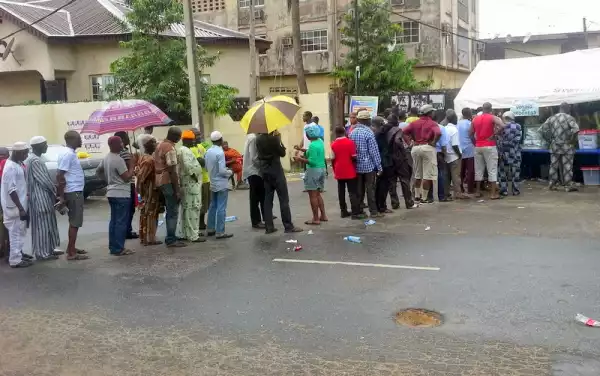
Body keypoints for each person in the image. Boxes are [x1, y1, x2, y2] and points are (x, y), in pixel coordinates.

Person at [256, 130, 303, 234]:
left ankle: (269, 227)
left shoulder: (258, 139)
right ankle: (288, 226)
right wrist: (279, 139)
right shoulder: (274, 139)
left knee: (267, 200)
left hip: (265, 171)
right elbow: (282, 153)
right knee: (283, 199)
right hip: (276, 171)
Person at [25, 136, 62, 261]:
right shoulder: (35, 160)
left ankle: (49, 249)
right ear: (38, 146)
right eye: (45, 145)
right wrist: (56, 191)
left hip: (41, 197)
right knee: (42, 227)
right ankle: (42, 253)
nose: (46, 147)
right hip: (40, 198)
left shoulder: (33, 159)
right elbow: (45, 181)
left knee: (47, 225)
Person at [98, 136, 136, 256]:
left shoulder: (106, 158)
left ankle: (113, 247)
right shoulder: (118, 159)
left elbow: (98, 171)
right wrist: (132, 166)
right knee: (121, 222)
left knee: (114, 221)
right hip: (121, 193)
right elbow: (126, 177)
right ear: (114, 145)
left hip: (111, 192)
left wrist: (108, 181)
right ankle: (119, 248)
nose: (122, 145)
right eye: (120, 143)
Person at [57, 130, 89, 261]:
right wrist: (62, 197)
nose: (81, 141)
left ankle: (71, 247)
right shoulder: (68, 155)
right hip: (73, 191)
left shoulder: (69, 153)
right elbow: (59, 175)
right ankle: (71, 253)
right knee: (75, 222)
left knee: (74, 222)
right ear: (71, 140)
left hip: (74, 190)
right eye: (78, 139)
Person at [403, 104, 441, 204]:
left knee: (417, 174)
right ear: (429, 113)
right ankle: (424, 198)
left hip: (415, 148)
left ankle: (416, 196)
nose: (434, 113)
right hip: (427, 147)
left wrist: (409, 143)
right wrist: (434, 142)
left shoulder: (414, 123)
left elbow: (404, 132)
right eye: (432, 112)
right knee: (427, 175)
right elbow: (438, 133)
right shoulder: (433, 123)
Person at [154, 127, 185, 248]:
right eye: (179, 136)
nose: (180, 138)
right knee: (173, 210)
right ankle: (171, 238)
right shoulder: (170, 148)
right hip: (168, 181)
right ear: (175, 136)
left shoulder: (160, 145)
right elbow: (172, 171)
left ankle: (171, 236)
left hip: (160, 181)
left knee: (170, 209)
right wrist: (177, 190)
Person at [2, 142, 32, 268]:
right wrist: (20, 208)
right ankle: (15, 260)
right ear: (18, 153)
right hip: (14, 207)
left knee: (20, 231)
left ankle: (18, 254)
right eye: (25, 153)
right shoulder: (10, 167)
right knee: (15, 233)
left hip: (19, 205)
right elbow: (11, 190)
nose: (26, 156)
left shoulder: (17, 164)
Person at [539, 102, 580, 192]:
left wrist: (548, 140)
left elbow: (541, 130)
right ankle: (568, 185)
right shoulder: (569, 118)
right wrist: (572, 141)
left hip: (555, 145)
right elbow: (576, 130)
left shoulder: (552, 118)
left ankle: (552, 184)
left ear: (559, 108)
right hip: (567, 145)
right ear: (568, 108)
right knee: (567, 166)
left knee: (553, 165)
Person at [349, 110, 383, 218]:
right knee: (370, 190)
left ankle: (359, 211)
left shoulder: (352, 133)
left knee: (359, 191)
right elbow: (374, 152)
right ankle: (373, 211)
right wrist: (379, 167)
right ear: (368, 120)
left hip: (357, 166)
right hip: (368, 167)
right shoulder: (369, 133)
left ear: (358, 120)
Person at [176, 130, 206, 243]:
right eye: (193, 139)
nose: (194, 141)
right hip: (191, 185)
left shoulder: (182, 150)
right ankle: (194, 235)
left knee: (186, 210)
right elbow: (189, 167)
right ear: (187, 140)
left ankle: (186, 234)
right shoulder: (186, 151)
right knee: (193, 210)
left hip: (187, 184)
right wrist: (194, 177)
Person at [295, 125, 328, 225]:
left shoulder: (313, 145)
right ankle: (323, 215)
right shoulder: (319, 142)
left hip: (313, 171)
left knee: (312, 196)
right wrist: (302, 150)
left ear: (309, 134)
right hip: (321, 169)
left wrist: (299, 159)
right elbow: (314, 153)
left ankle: (315, 218)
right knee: (318, 194)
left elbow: (312, 161)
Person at [470, 102, 505, 199]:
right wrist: (494, 135)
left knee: (478, 169)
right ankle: (493, 194)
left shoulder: (475, 119)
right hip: (489, 145)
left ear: (482, 109)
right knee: (492, 169)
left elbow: (470, 133)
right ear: (491, 109)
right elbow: (502, 126)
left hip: (478, 145)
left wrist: (475, 142)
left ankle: (477, 191)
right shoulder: (492, 117)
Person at [204, 131, 234, 239]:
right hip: (221, 183)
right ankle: (220, 231)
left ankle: (211, 229)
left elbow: (207, 168)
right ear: (221, 140)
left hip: (212, 182)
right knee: (221, 207)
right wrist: (230, 172)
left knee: (213, 206)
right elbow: (222, 171)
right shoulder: (220, 153)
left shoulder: (208, 152)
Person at [386, 114, 418, 210]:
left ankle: (394, 203)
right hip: (399, 158)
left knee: (392, 181)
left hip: (389, 158)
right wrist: (403, 151)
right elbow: (397, 141)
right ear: (396, 122)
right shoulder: (397, 130)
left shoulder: (385, 130)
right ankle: (409, 202)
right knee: (404, 180)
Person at [136, 136, 162, 246]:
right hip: (150, 191)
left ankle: (144, 237)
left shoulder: (143, 157)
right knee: (150, 214)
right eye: (154, 143)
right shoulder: (149, 160)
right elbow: (142, 177)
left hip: (147, 191)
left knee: (146, 214)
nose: (156, 145)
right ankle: (150, 238)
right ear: (150, 146)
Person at [330, 126, 359, 218]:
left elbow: (332, 158)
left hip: (339, 170)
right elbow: (354, 157)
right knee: (352, 192)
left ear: (336, 133)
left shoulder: (333, 144)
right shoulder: (350, 143)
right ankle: (355, 212)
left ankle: (343, 211)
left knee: (341, 191)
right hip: (349, 169)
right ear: (344, 132)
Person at [114, 131, 138, 240]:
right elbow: (130, 169)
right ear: (122, 140)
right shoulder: (124, 153)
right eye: (126, 137)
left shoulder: (118, 153)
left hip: (121, 185)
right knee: (130, 209)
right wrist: (134, 162)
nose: (129, 139)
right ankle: (127, 231)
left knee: (124, 211)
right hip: (129, 184)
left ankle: (126, 230)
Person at [243, 133, 267, 229]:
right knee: (256, 198)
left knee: (258, 197)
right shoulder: (253, 138)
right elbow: (254, 157)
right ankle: (256, 221)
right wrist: (263, 166)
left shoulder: (251, 137)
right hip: (254, 171)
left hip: (253, 171)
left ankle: (261, 219)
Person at [373, 116, 395, 214]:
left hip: (380, 161)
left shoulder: (375, 132)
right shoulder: (380, 132)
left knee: (379, 185)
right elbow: (389, 125)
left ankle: (379, 205)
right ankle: (381, 206)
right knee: (383, 185)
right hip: (384, 162)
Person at [190, 129, 211, 231]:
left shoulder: (201, 146)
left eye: (199, 134)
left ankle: (202, 223)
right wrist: (208, 161)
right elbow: (201, 161)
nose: (199, 137)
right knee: (198, 204)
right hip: (198, 180)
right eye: (196, 135)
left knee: (205, 203)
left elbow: (206, 159)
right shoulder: (191, 149)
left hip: (206, 178)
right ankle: (197, 225)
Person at [499, 111, 523, 196]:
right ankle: (515, 190)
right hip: (515, 153)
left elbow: (498, 139)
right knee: (515, 172)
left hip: (503, 152)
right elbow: (518, 139)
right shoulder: (518, 126)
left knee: (503, 173)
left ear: (505, 117)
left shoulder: (501, 126)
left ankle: (504, 190)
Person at [443, 112, 467, 200]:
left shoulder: (444, 128)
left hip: (446, 155)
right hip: (454, 156)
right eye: (456, 118)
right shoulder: (454, 130)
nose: (457, 120)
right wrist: (459, 155)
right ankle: (458, 193)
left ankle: (446, 193)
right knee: (456, 176)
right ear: (453, 119)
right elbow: (455, 145)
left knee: (447, 176)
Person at [457, 108, 475, 194]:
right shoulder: (469, 124)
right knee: (470, 170)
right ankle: (470, 189)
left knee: (461, 170)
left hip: (460, 149)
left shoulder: (457, 123)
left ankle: (461, 188)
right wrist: (475, 143)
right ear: (469, 114)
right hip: (469, 149)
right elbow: (472, 136)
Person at [0, 147, 10, 260]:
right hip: (4, 200)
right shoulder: (4, 163)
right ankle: (5, 249)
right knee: (6, 226)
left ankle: (4, 249)